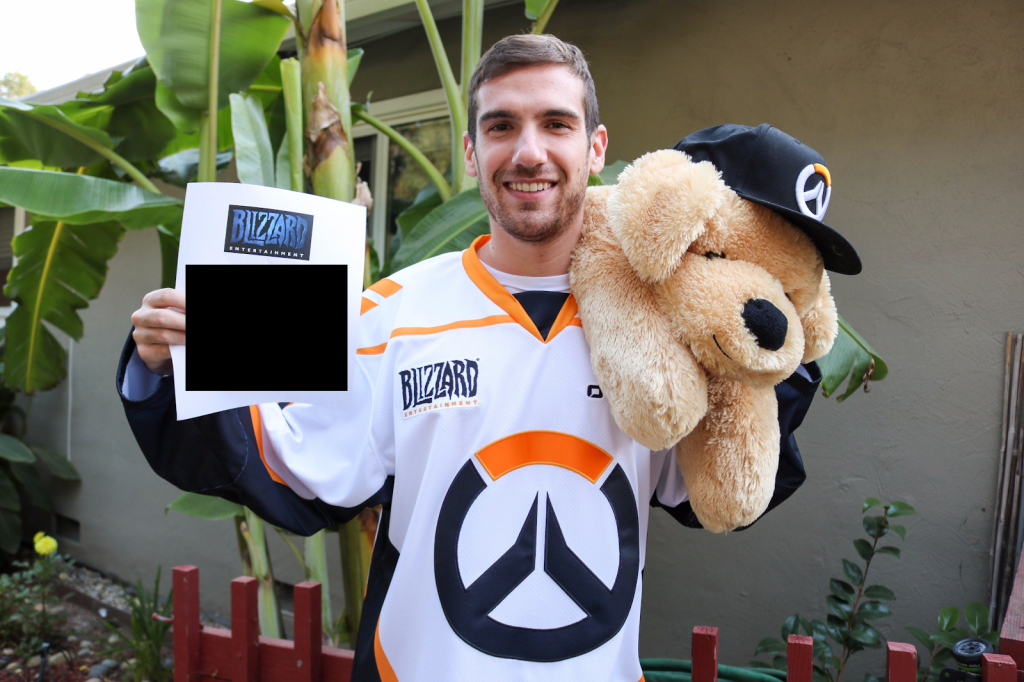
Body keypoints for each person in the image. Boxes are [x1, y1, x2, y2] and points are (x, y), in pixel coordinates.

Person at [120, 34, 822, 682]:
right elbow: (292, 470)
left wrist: (776, 339)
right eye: (501, 126)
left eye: (556, 124)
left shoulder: (663, 327)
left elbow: (712, 487)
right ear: (469, 150)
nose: (528, 152)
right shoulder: (386, 316)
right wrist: (169, 364)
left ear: (596, 147)